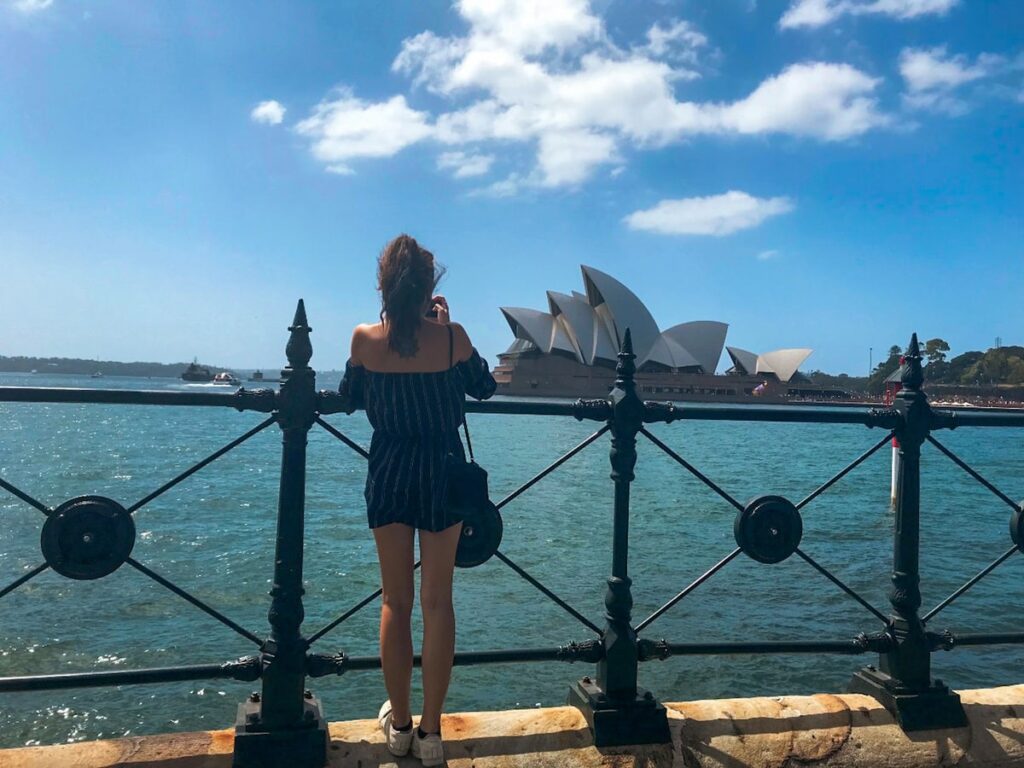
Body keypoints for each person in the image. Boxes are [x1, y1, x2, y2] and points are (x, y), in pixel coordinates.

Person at [338, 234, 496, 766]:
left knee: (394, 601)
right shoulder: (452, 338)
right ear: (430, 288)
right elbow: (485, 387)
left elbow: (349, 396)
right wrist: (445, 323)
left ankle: (400, 726)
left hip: (388, 471)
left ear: (383, 285)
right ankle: (431, 734)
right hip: (442, 473)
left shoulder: (364, 339)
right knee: (437, 602)